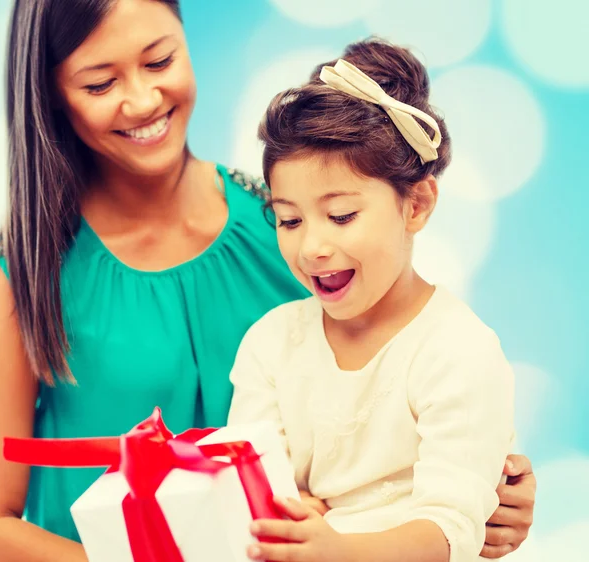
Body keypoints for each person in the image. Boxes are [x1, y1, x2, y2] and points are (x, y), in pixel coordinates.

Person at [0, 1, 534, 561]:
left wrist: (492, 479)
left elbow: (393, 388)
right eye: (101, 83)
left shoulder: (281, 222)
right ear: (51, 93)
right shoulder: (23, 278)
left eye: (159, 61)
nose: (144, 99)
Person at [226, 39, 527, 562]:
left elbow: (451, 527)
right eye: (289, 220)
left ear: (416, 204)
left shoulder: (457, 350)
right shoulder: (271, 343)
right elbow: (248, 484)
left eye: (341, 215)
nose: (312, 247)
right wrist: (288, 507)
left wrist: (336, 550)